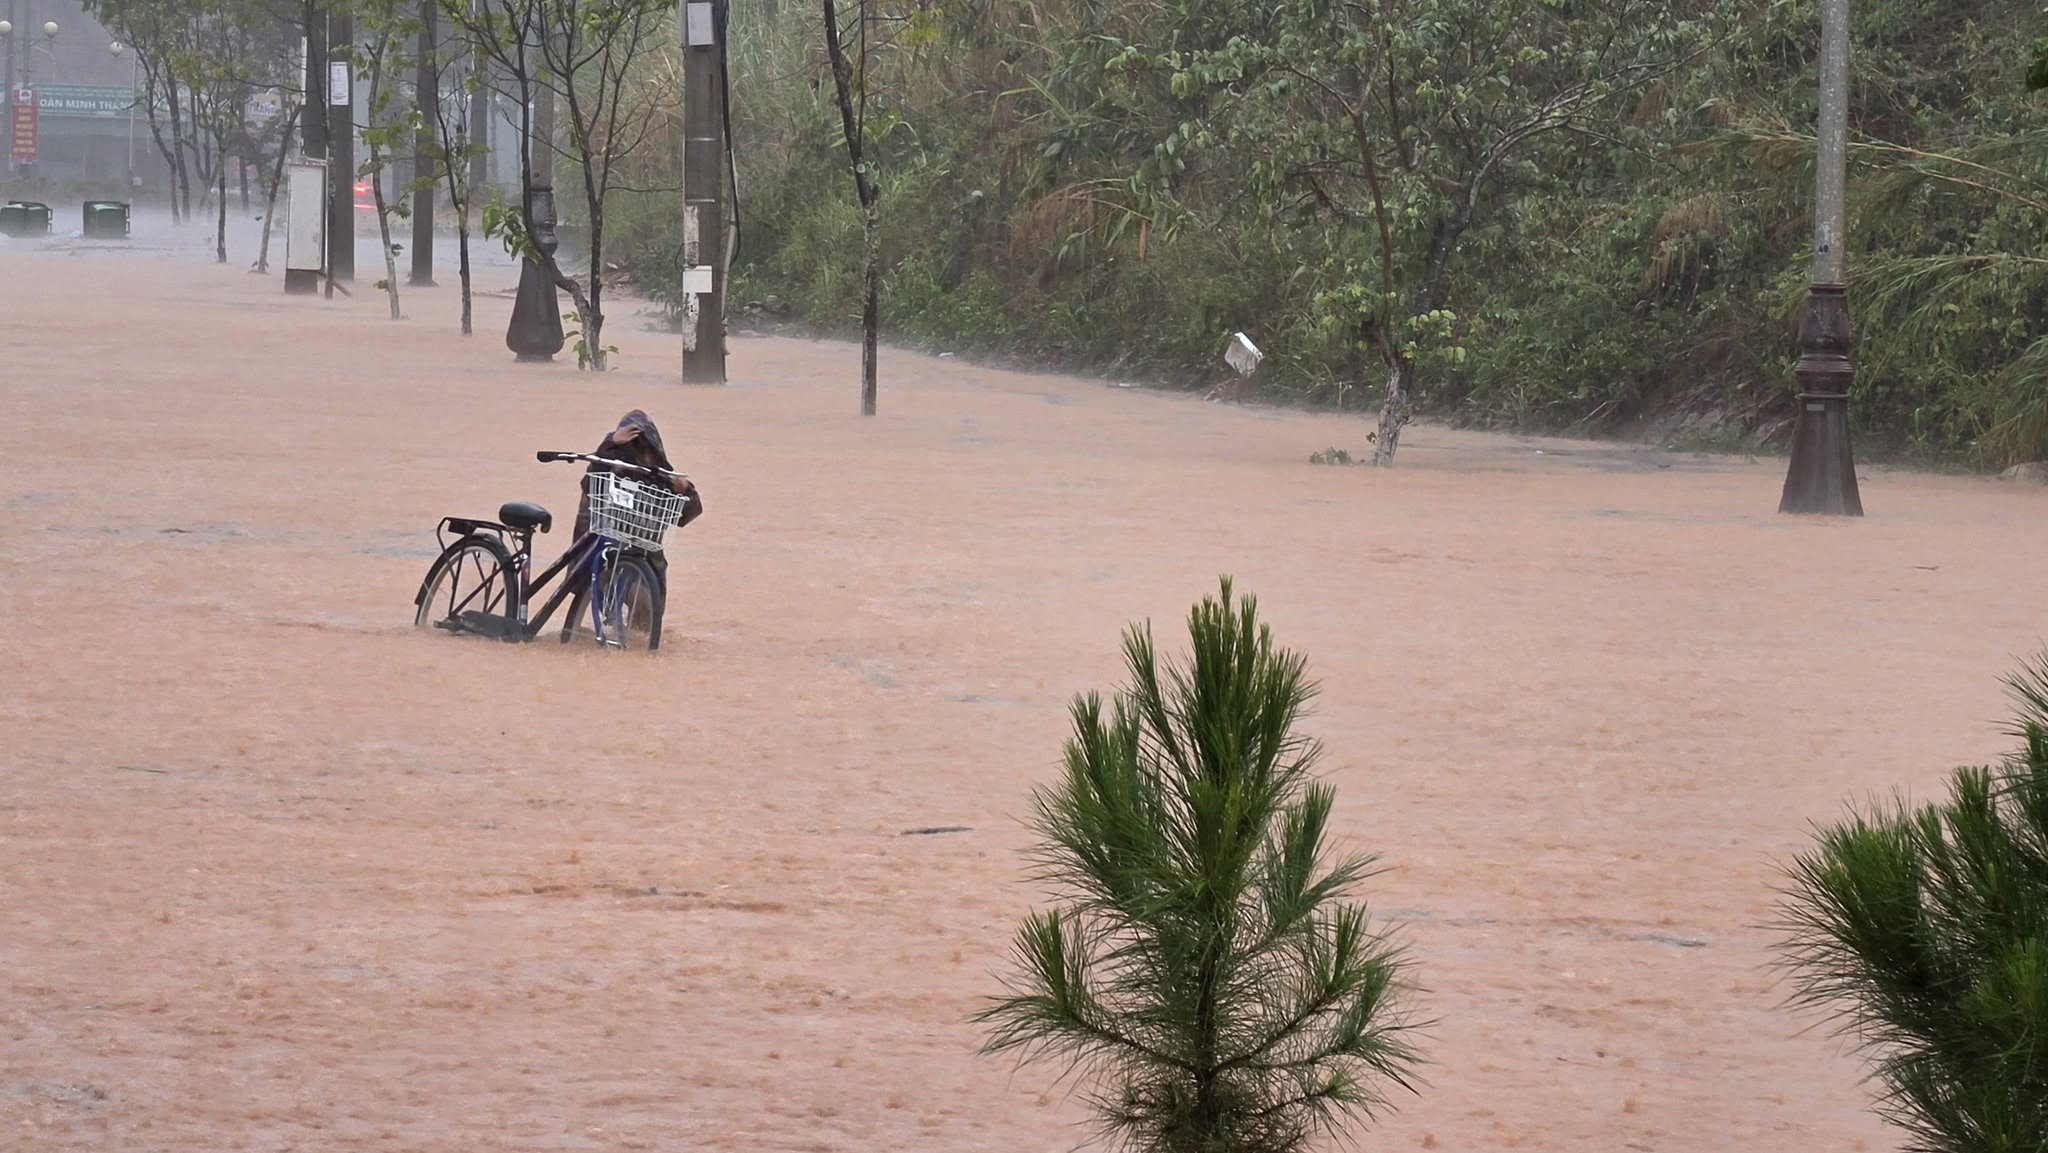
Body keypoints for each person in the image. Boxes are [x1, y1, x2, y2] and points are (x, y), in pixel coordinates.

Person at [573, 410, 701, 590]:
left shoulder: (660, 475)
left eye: (646, 447)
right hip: (605, 541)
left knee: (646, 596)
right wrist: (610, 443)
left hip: (644, 551)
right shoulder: (609, 464)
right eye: (635, 446)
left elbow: (685, 515)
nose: (642, 454)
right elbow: (589, 486)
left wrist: (685, 491)